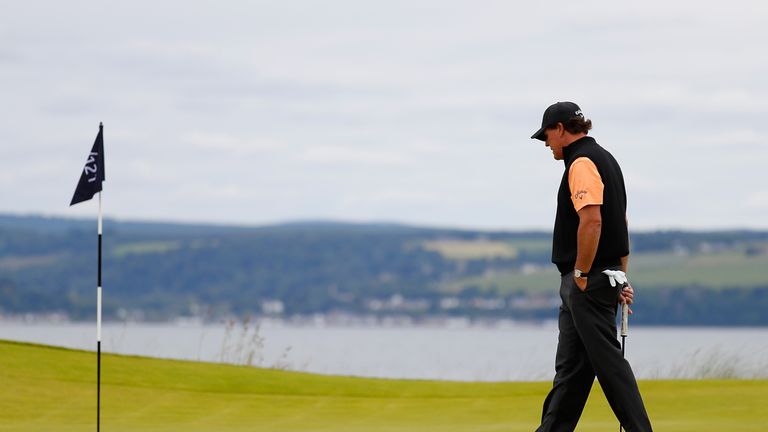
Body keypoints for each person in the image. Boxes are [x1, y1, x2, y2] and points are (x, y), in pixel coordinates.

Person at [530, 102, 653, 432]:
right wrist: (621, 274)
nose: (546, 144)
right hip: (598, 279)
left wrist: (582, 274)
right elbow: (621, 223)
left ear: (560, 129)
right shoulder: (607, 159)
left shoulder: (581, 162)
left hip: (587, 280)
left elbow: (593, 220)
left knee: (610, 366)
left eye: (546, 136)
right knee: (571, 373)